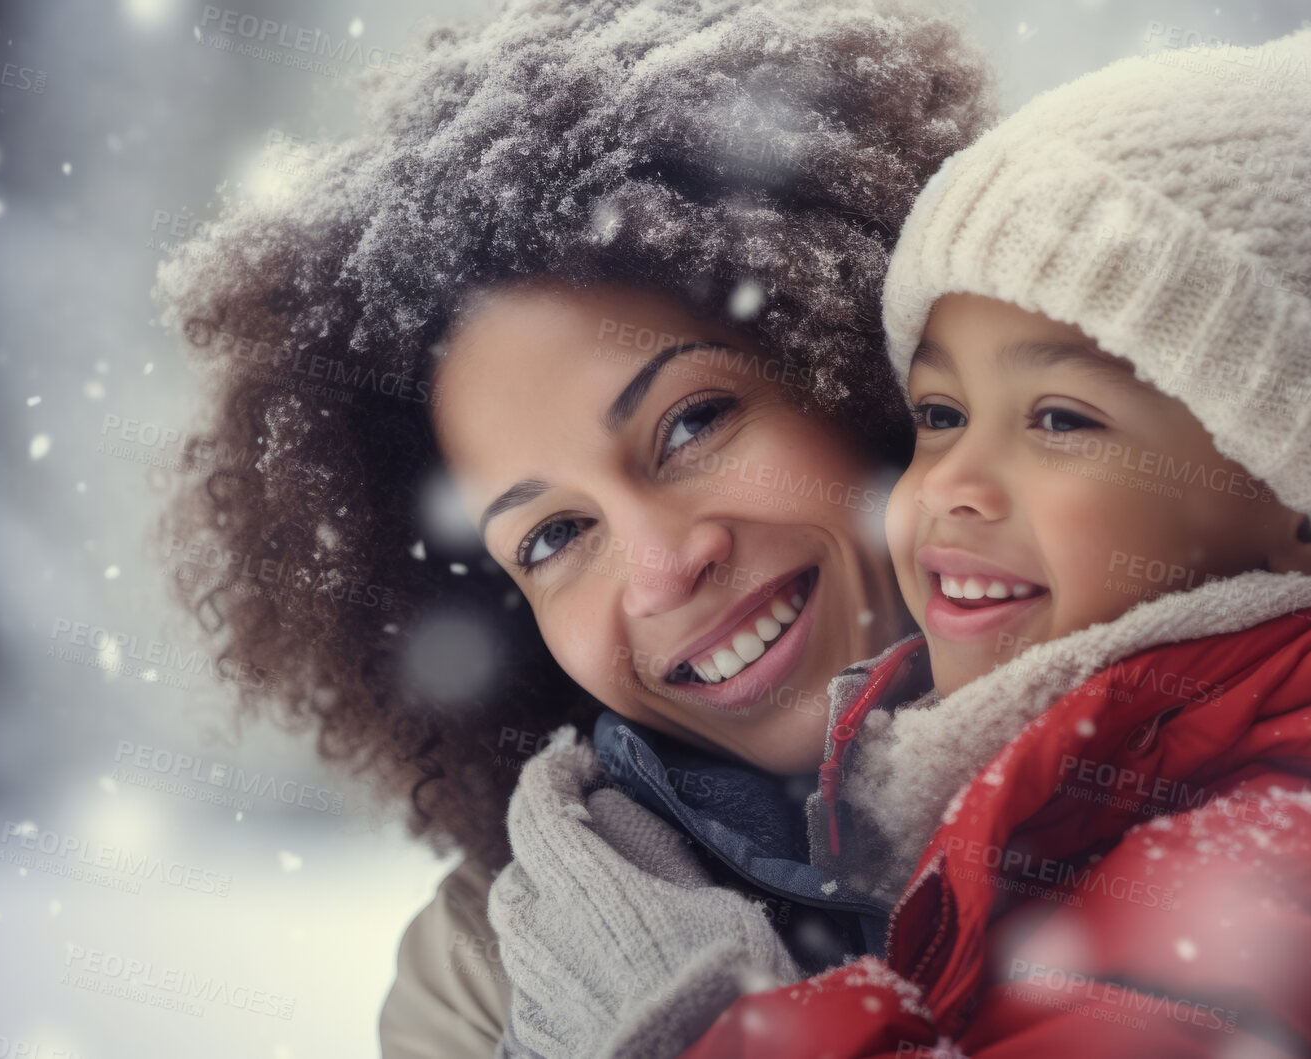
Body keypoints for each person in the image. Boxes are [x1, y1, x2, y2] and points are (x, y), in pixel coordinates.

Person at [493, 18, 1311, 1057]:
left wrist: (687, 1019)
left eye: (1059, 419)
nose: (950, 485)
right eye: (939, 416)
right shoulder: (1159, 769)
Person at [149, 0, 994, 1055]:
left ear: (857, 360)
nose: (661, 567)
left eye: (691, 422)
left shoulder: (1219, 696)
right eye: (551, 538)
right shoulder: (490, 984)